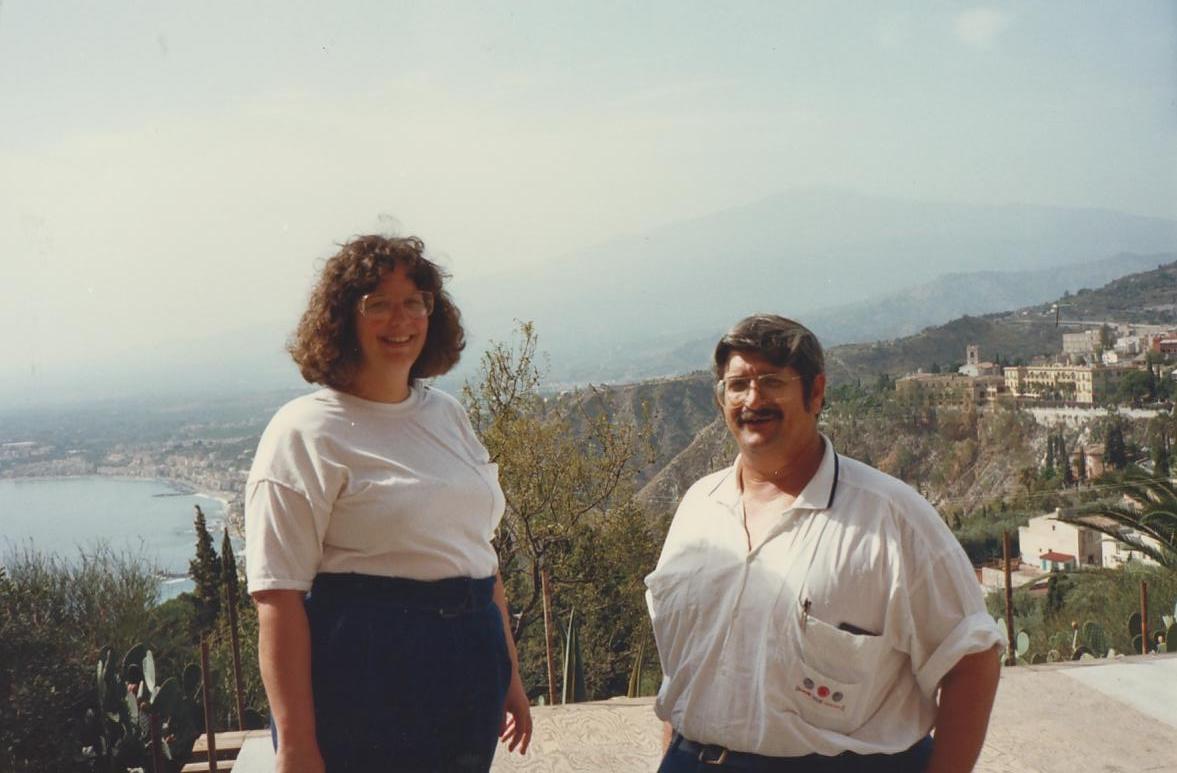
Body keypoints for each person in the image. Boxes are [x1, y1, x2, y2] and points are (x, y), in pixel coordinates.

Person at [645, 315, 1003, 773]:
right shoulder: (698, 508)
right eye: (737, 385)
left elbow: (972, 661)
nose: (752, 399)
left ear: (815, 393)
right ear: (721, 399)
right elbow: (684, 664)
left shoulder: (892, 519)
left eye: (771, 382)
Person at [245, 234, 532, 772]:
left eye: (415, 302)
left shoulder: (447, 415)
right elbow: (277, 597)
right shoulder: (304, 432)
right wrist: (297, 745)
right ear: (342, 319)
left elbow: (478, 555)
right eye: (378, 304)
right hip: (368, 677)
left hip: (471, 669)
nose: (401, 320)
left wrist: (509, 675)